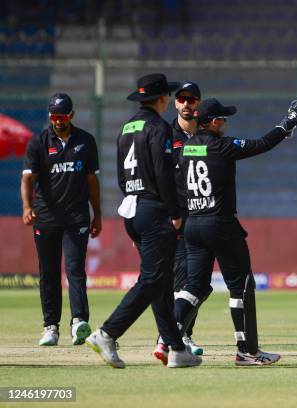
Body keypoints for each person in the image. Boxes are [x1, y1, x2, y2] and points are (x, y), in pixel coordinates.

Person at [166, 97, 297, 366]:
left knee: (193, 287)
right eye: (223, 119)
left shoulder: (186, 147)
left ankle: (168, 340)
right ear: (212, 122)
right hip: (220, 224)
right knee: (241, 286)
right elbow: (262, 144)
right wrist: (288, 123)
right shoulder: (222, 146)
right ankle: (247, 352)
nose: (225, 123)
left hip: (194, 224)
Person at [86, 73, 201, 369]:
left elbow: (123, 177)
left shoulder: (127, 128)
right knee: (152, 280)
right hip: (154, 210)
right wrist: (175, 213)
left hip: (133, 209)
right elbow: (163, 174)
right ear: (162, 99)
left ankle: (176, 348)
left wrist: (135, 202)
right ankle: (108, 333)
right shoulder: (158, 127)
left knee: (160, 280)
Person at [21, 93, 101, 347]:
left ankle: (79, 322)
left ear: (71, 115)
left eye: (63, 116)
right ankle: (50, 327)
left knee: (75, 269)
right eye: (54, 116)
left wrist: (97, 213)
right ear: (49, 116)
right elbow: (27, 179)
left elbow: (92, 181)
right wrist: (26, 207)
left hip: (76, 217)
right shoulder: (38, 142)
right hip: (46, 218)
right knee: (49, 273)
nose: (58, 121)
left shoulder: (85, 141)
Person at [153, 82, 204, 360]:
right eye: (182, 99)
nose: (186, 104)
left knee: (197, 279)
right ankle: (177, 335)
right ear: (175, 103)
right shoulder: (165, 134)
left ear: (198, 103)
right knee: (179, 277)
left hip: (202, 214)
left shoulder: (206, 135)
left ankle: (182, 332)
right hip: (174, 217)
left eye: (192, 99)